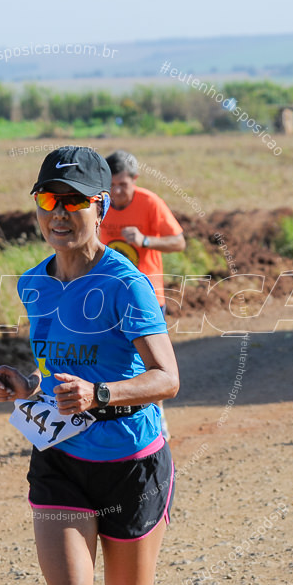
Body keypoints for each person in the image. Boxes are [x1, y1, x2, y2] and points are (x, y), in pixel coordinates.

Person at [0, 146, 201, 585]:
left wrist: (99, 394)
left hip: (130, 462)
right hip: (61, 457)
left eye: (74, 201)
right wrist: (26, 386)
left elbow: (168, 379)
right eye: (48, 199)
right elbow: (56, 369)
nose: (59, 213)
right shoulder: (34, 283)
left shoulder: (124, 283)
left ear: (100, 206)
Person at [101, 150, 186, 440]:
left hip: (146, 296)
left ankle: (156, 416)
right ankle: (107, 418)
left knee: (150, 363)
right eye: (110, 185)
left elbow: (179, 241)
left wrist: (145, 240)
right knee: (109, 357)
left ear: (134, 180)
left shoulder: (150, 203)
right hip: (105, 295)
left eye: (122, 185)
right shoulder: (100, 204)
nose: (116, 191)